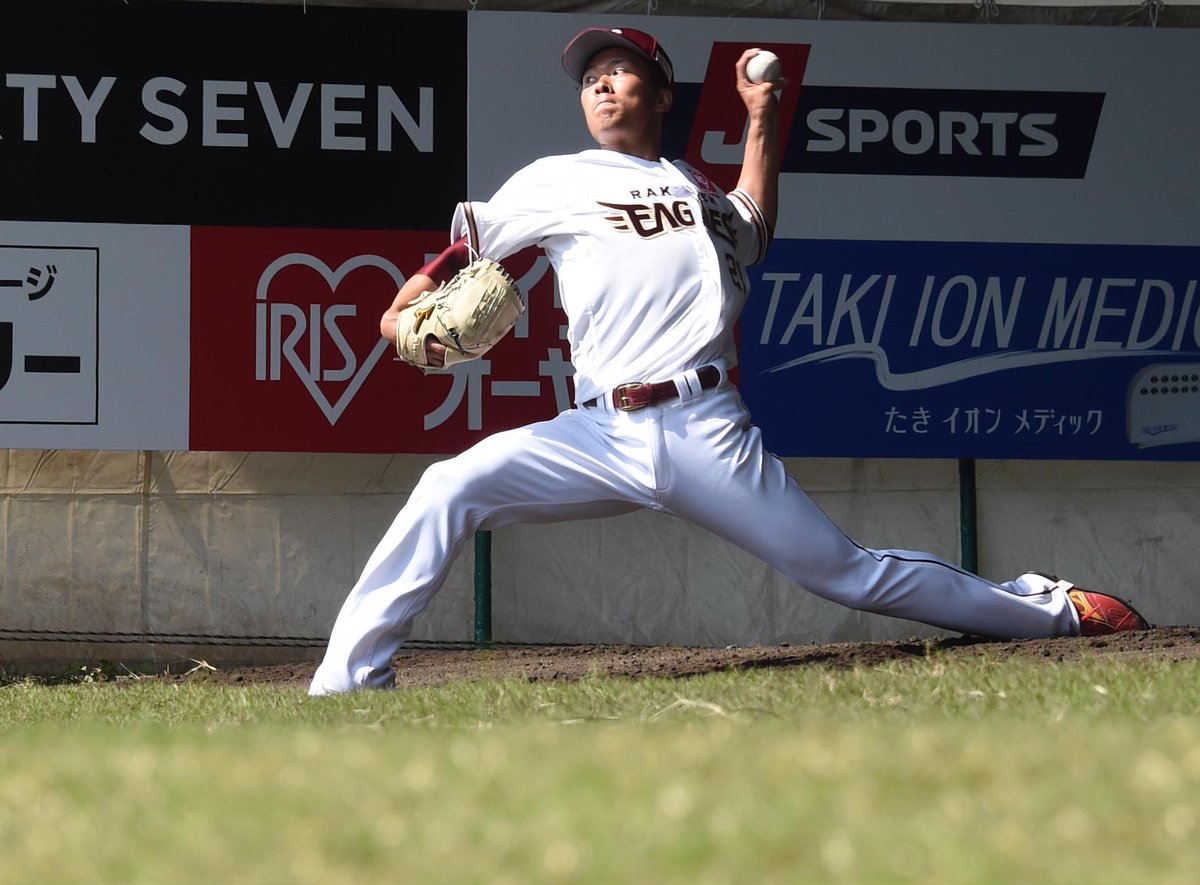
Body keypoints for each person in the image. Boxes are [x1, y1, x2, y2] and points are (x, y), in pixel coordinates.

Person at [308, 26, 1147, 695]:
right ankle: (346, 684)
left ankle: (1053, 611)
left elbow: (755, 224)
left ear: (661, 94)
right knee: (447, 486)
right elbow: (467, 246)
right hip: (596, 433)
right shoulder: (560, 177)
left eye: (620, 71)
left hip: (705, 425)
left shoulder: (702, 195)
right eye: (591, 75)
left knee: (846, 572)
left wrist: (762, 114)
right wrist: (403, 299)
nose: (600, 83)